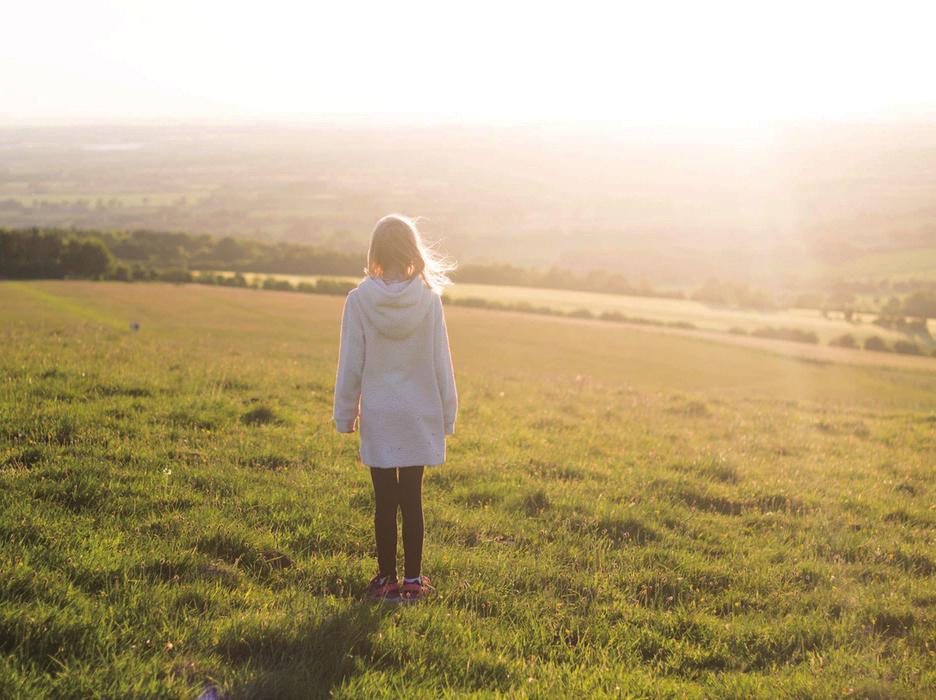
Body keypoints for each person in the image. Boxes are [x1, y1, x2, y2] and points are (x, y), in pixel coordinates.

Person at [333, 214, 458, 604]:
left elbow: (350, 362)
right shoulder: (429, 301)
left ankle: (386, 579)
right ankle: (414, 581)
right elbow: (442, 363)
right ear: (412, 252)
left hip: (381, 415)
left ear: (375, 253)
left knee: (385, 499)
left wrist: (344, 413)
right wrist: (448, 414)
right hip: (419, 413)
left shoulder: (359, 301)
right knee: (413, 498)